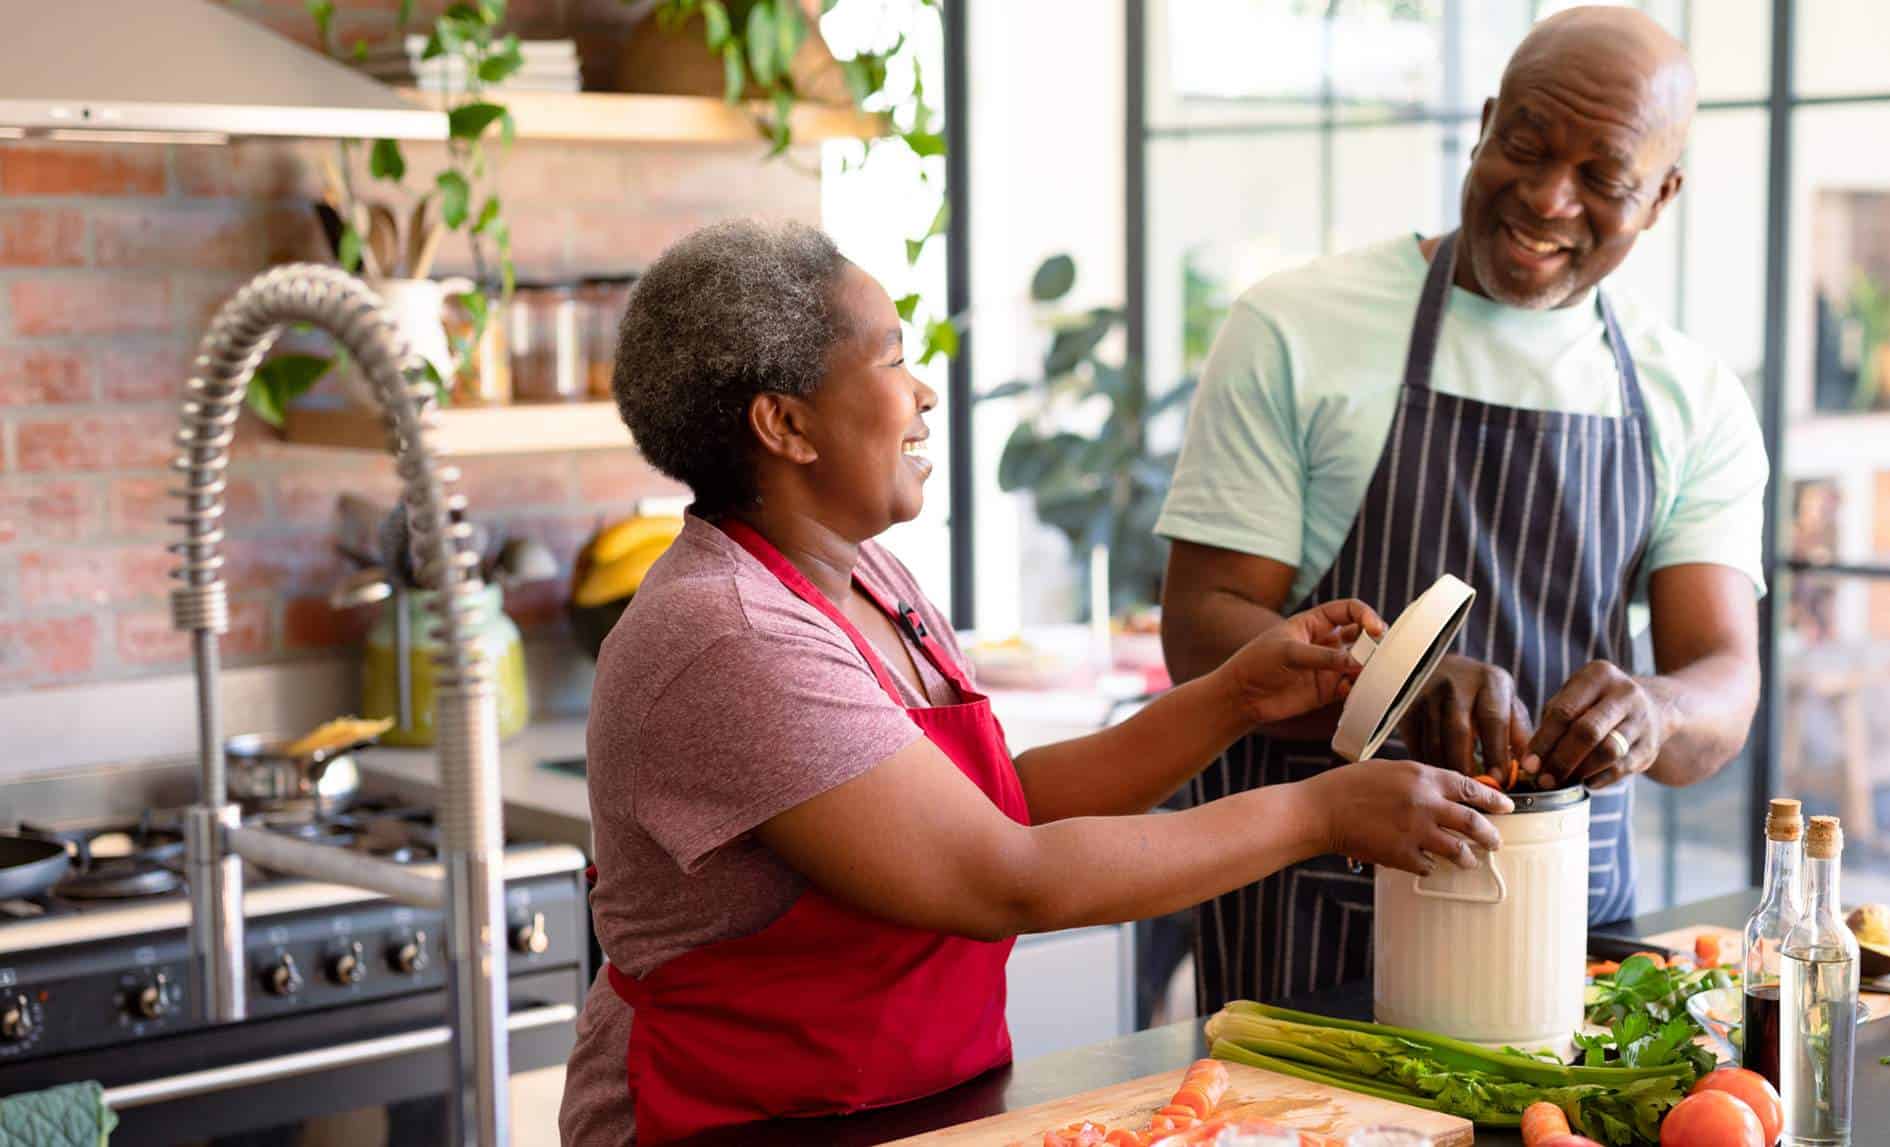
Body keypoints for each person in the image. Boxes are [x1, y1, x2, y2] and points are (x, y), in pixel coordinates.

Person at [557, 219, 1511, 1146]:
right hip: (740, 1121)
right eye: (891, 362)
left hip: (906, 1098)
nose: (924, 393)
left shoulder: (867, 579)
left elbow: (995, 807)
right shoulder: (733, 633)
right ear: (786, 424)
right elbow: (1004, 877)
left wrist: (1234, 698)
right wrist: (1322, 814)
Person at [1156, 6, 1767, 1014]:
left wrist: (1652, 712)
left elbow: (1723, 689)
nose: (1544, 197)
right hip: (1311, 927)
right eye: (1522, 144)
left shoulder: (1687, 393)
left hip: (1564, 927)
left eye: (1600, 178)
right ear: (1484, 123)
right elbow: (1201, 626)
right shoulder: (1294, 327)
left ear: (1660, 197)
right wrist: (1392, 680)